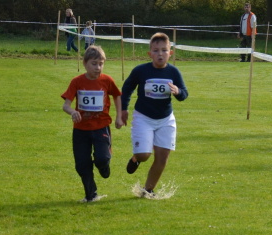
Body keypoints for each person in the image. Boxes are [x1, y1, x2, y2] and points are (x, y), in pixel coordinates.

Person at [121, 32, 189, 197]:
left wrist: (178, 91)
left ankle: (148, 190)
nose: (160, 54)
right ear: (149, 53)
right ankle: (136, 159)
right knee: (144, 155)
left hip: (165, 119)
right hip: (143, 117)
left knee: (162, 157)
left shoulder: (173, 72)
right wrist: (123, 109)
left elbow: (184, 94)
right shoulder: (141, 71)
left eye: (164, 50)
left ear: (170, 53)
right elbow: (127, 88)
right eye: (156, 51)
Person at [62, 45, 123, 202]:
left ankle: (104, 167)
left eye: (101, 64)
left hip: (101, 127)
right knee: (82, 164)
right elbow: (66, 105)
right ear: (85, 63)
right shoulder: (77, 82)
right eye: (94, 64)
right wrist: (73, 112)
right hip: (80, 130)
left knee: (102, 158)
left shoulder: (107, 80)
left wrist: (118, 116)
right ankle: (91, 195)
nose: (98, 67)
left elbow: (117, 95)